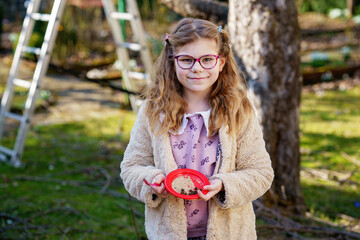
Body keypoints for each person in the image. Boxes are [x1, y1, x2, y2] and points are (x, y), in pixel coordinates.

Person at [120, 18, 274, 240]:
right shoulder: (152, 111)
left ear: (221, 62)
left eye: (206, 59)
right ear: (173, 61)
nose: (197, 68)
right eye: (186, 60)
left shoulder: (237, 111)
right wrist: (152, 181)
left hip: (228, 234)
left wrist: (224, 185)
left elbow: (260, 172)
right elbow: (131, 167)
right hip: (169, 234)